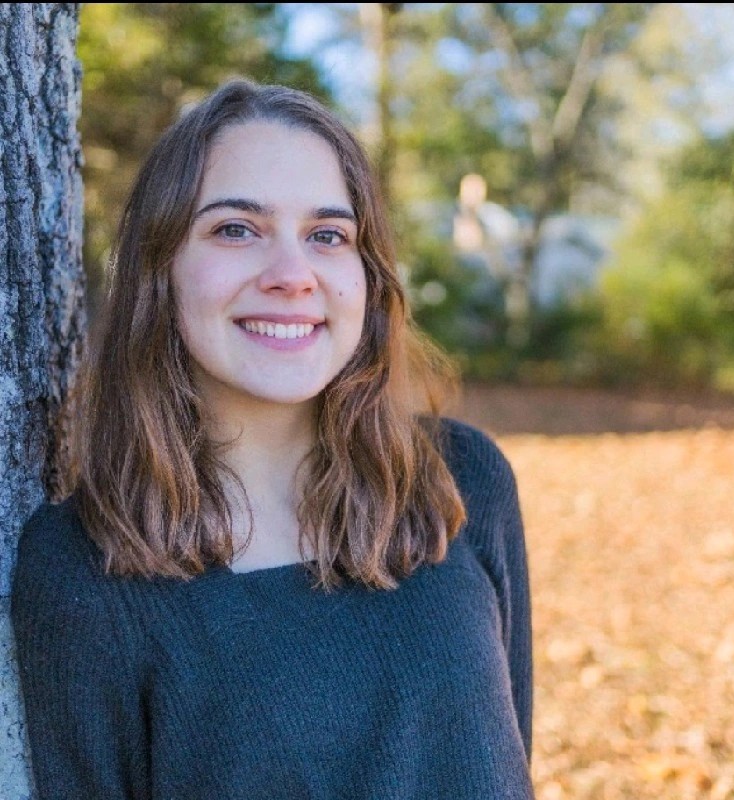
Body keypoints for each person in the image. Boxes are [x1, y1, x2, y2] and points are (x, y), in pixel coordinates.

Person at [11, 78, 534, 800]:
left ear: (367, 274)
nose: (293, 276)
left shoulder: (459, 480)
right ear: (160, 269)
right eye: (236, 229)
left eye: (327, 236)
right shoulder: (80, 565)